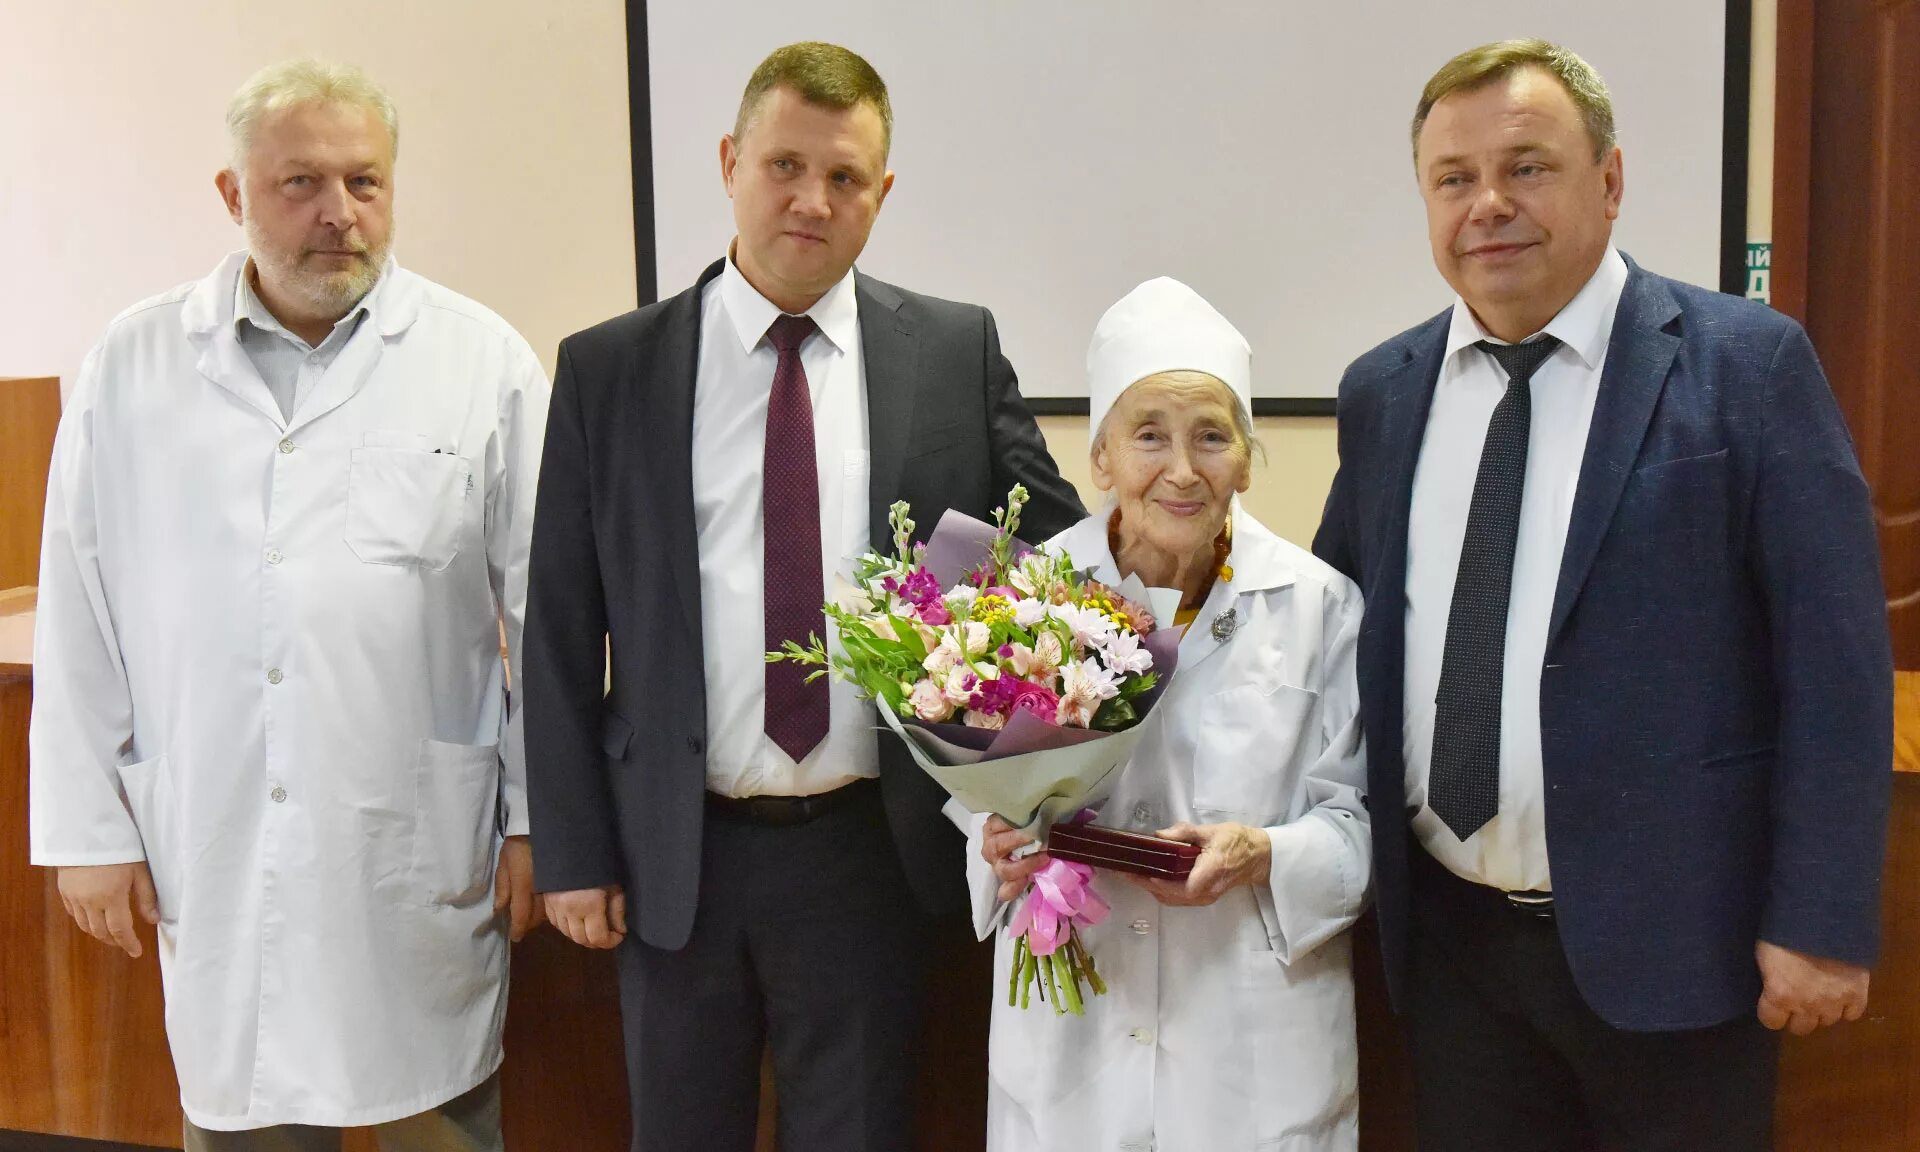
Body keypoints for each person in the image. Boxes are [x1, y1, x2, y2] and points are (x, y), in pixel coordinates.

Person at [1312, 39, 1894, 1150]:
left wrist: (1819, 920)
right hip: (1451, 953)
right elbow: (1327, 637)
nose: (1488, 204)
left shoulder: (1748, 369)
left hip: (1682, 955)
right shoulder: (1382, 392)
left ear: (1611, 181)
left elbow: (1836, 669)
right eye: (1454, 178)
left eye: (1527, 167)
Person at [522, 41, 1083, 1152]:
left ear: (883, 192)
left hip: (870, 854)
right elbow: (558, 623)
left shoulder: (950, 350)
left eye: (844, 177)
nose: (812, 201)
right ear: (731, 162)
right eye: (785, 165)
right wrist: (574, 851)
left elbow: (1053, 559)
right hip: (675, 854)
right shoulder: (612, 368)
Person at [29, 60, 547, 1149]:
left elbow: (546, 610)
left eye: (365, 182)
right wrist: (85, 830)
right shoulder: (134, 365)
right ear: (233, 195)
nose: (338, 215)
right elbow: (79, 610)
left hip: (414, 852)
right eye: (300, 184)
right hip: (216, 847)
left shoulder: (478, 359)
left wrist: (539, 817)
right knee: (243, 1113)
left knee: (437, 1112)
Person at [973, 277, 1370, 1150]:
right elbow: (978, 804)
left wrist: (1265, 853)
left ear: (1247, 458)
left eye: (1212, 437)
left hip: (1252, 1048)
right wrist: (994, 849)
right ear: (1101, 457)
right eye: (1149, 435)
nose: (1183, 471)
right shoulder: (1023, 597)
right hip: (1075, 1036)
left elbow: (1358, 829)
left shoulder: (1321, 606)